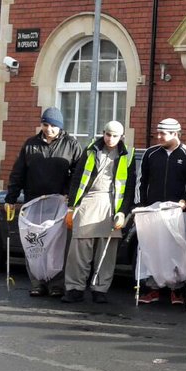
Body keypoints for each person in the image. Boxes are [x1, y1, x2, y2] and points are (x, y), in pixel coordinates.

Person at [5, 106, 83, 297]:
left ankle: (56, 283)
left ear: (60, 127)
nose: (49, 129)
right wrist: (11, 198)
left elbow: (78, 175)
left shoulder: (72, 145)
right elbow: (18, 173)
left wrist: (70, 197)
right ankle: (37, 282)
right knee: (35, 245)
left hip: (59, 204)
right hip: (34, 202)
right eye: (45, 125)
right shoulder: (30, 145)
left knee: (57, 245)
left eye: (53, 126)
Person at [62, 121, 133, 303]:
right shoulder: (91, 150)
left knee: (107, 251)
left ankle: (100, 289)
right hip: (88, 200)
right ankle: (74, 288)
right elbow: (77, 178)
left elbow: (130, 188)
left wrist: (123, 212)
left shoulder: (128, 155)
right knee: (79, 249)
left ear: (121, 137)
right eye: (108, 134)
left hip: (111, 203)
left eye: (115, 136)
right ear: (103, 133)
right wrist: (71, 206)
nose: (110, 139)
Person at [136, 117, 186, 305]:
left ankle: (177, 290)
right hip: (153, 211)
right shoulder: (150, 154)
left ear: (175, 134)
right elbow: (142, 181)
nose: (159, 136)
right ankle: (153, 288)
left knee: (177, 250)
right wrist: (141, 206)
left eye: (163, 133)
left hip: (178, 212)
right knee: (153, 250)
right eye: (158, 132)